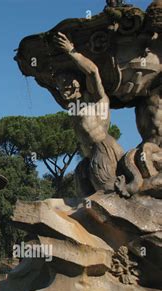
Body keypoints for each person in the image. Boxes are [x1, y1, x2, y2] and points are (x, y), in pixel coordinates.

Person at [53, 32, 124, 192]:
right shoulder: (73, 107)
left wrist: (70, 50)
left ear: (79, 82)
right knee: (83, 200)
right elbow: (58, 95)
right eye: (59, 84)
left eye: (66, 81)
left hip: (103, 150)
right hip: (88, 158)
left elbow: (92, 72)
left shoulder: (95, 98)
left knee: (108, 192)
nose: (62, 86)